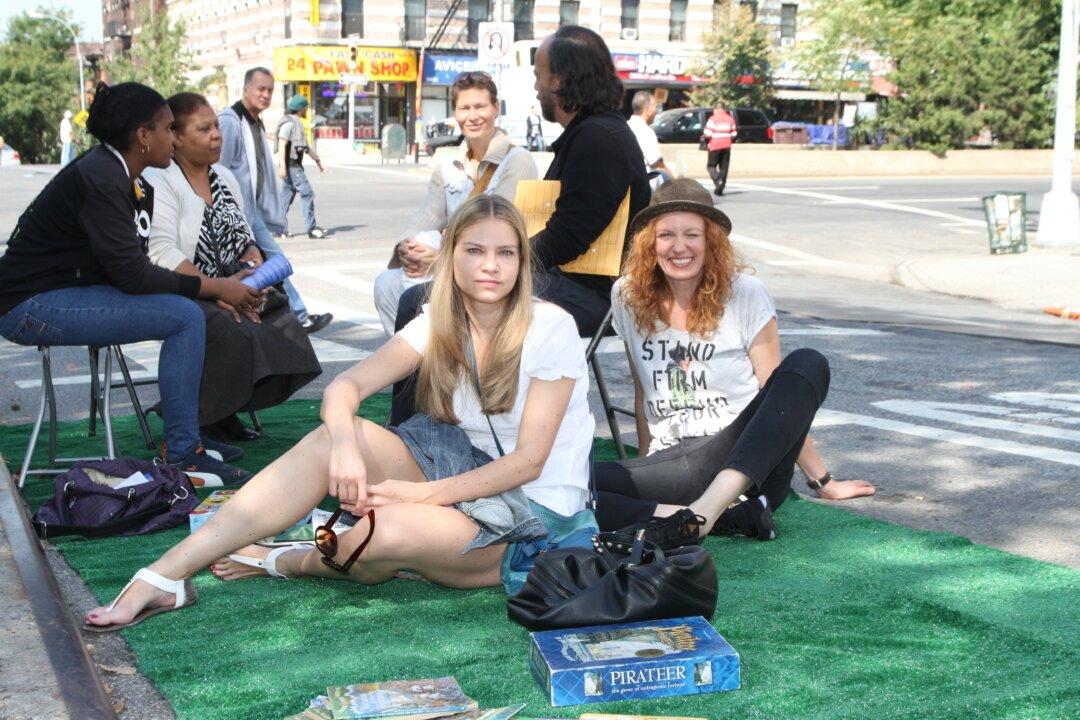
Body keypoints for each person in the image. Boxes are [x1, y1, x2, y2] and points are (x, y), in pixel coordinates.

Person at [83, 195, 598, 633]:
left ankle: (287, 559)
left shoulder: (549, 325)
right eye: (476, 250)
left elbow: (529, 462)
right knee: (334, 440)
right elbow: (346, 386)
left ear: (521, 261)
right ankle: (165, 575)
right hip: (457, 467)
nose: (491, 265)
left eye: (506, 252)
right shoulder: (440, 319)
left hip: (533, 516)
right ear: (452, 257)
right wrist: (347, 444)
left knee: (385, 532)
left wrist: (420, 495)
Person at [389, 25, 650, 425]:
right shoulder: (595, 133)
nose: (536, 88)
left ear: (559, 82)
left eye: (538, 77)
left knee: (420, 301)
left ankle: (412, 435)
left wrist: (501, 264)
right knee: (429, 295)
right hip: (570, 282)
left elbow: (567, 238)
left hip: (588, 294)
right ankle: (439, 424)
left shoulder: (599, 138)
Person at [593, 179, 875, 546]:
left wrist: (823, 482)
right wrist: (644, 469)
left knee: (807, 363)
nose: (679, 247)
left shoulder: (744, 292)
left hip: (749, 464)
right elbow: (642, 391)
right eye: (666, 235)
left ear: (711, 240)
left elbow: (776, 398)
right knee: (564, 485)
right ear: (649, 242)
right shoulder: (627, 295)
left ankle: (705, 511)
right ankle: (711, 519)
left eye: (692, 234)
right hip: (678, 465)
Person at [0, 82, 256, 485]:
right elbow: (134, 275)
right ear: (143, 136)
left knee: (186, 311)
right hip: (28, 306)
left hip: (57, 293)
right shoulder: (103, 176)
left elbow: (131, 264)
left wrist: (213, 284)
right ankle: (185, 453)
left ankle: (187, 441)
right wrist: (215, 287)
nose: (173, 139)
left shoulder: (123, 172)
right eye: (168, 129)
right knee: (187, 317)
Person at [144, 92, 323, 444]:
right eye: (204, 128)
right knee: (227, 324)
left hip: (234, 282)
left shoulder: (224, 177)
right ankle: (203, 415)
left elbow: (244, 235)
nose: (217, 135)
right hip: (184, 287)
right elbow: (160, 251)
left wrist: (254, 261)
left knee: (277, 314)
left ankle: (223, 408)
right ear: (176, 137)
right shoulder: (158, 179)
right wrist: (218, 290)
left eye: (216, 126)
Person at [372, 71, 538, 337]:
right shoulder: (447, 166)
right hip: (454, 269)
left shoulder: (518, 161)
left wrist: (440, 259)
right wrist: (407, 247)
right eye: (464, 108)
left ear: (495, 108)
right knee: (386, 284)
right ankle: (418, 368)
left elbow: (497, 234)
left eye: (480, 106)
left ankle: (443, 366)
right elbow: (427, 215)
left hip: (493, 272)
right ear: (455, 113)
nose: (473, 116)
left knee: (417, 297)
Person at [219, 67, 332, 334]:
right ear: (245, 89)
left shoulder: (254, 121)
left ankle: (294, 314)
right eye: (260, 88)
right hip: (237, 214)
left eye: (270, 90)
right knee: (274, 260)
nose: (265, 94)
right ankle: (296, 315)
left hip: (251, 210)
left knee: (272, 261)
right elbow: (218, 170)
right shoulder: (231, 120)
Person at [275, 94, 327, 239]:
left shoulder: (295, 122)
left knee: (286, 196)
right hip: (292, 165)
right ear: (300, 109)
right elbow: (282, 143)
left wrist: (318, 160)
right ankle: (311, 228)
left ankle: (278, 227)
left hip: (292, 165)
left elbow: (304, 147)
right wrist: (283, 167)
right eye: (306, 108)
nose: (307, 111)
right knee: (307, 193)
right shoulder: (290, 123)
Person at [627, 90, 673, 187]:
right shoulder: (646, 132)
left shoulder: (626, 126)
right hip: (644, 188)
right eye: (655, 107)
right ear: (647, 110)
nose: (656, 111)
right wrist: (676, 183)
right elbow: (657, 164)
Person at [702, 105, 736, 196]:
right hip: (726, 146)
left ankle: (718, 181)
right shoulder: (730, 119)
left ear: (716, 110)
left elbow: (707, 133)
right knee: (724, 167)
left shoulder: (713, 119)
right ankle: (720, 188)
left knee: (711, 166)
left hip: (715, 145)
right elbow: (734, 134)